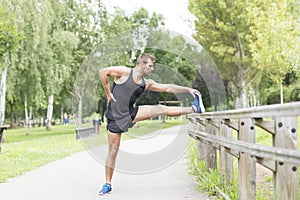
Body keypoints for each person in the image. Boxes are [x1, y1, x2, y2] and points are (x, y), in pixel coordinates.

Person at [98, 53, 205, 195]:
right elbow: (103, 72)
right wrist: (108, 93)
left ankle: (193, 109)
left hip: (130, 113)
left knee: (161, 109)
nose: (152, 68)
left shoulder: (146, 83)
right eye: (150, 65)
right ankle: (107, 184)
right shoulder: (124, 72)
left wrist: (188, 89)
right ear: (141, 65)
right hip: (114, 117)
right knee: (113, 152)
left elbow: (167, 88)